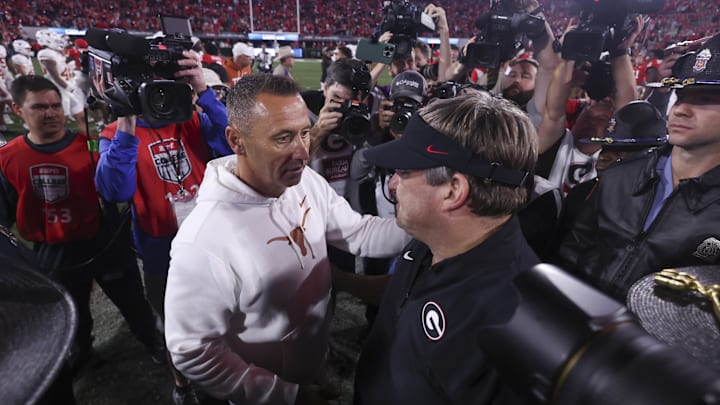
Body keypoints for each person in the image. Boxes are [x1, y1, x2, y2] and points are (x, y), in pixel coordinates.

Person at [164, 74, 409, 404]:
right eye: (283, 138)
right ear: (236, 141)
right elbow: (192, 350)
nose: (303, 153)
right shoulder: (203, 241)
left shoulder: (303, 181)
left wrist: (427, 225)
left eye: (304, 132)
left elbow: (357, 232)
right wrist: (284, 395)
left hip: (310, 363)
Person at [351, 92, 540, 404]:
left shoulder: (510, 322)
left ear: (453, 191)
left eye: (405, 171)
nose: (393, 185)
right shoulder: (436, 237)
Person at [94, 51, 231, 404]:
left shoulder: (191, 118)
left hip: (210, 241)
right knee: (176, 327)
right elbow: (115, 190)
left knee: (223, 319)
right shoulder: (114, 133)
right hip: (162, 253)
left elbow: (233, 146)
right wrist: (126, 121)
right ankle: (183, 385)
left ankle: (225, 378)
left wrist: (204, 91)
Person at [0, 75, 162, 372]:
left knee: (133, 301)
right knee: (71, 312)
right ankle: (82, 353)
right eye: (39, 107)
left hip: (102, 241)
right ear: (17, 109)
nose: (51, 113)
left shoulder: (90, 147)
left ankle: (153, 342)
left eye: (55, 106)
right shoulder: (6, 158)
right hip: (52, 251)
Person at [558, 33, 720, 302]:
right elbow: (571, 255)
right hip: (580, 327)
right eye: (681, 96)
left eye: (703, 98)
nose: (681, 110)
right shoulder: (619, 177)